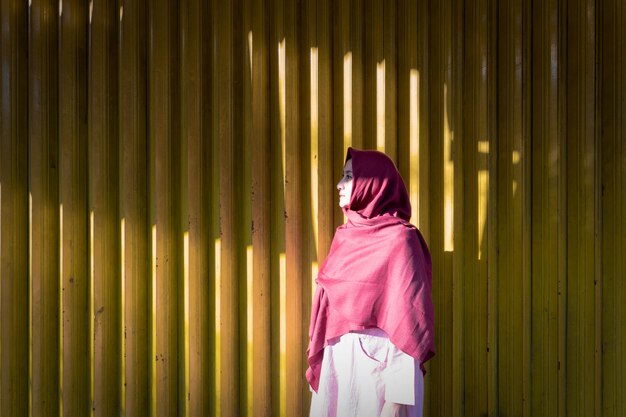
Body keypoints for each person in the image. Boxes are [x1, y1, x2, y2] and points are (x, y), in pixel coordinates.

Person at [307, 148, 435, 417]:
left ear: (374, 183)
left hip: (381, 377)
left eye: (349, 176)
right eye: (343, 176)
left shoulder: (401, 240)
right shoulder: (344, 237)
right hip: (338, 373)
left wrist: (397, 399)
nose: (340, 185)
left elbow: (409, 322)